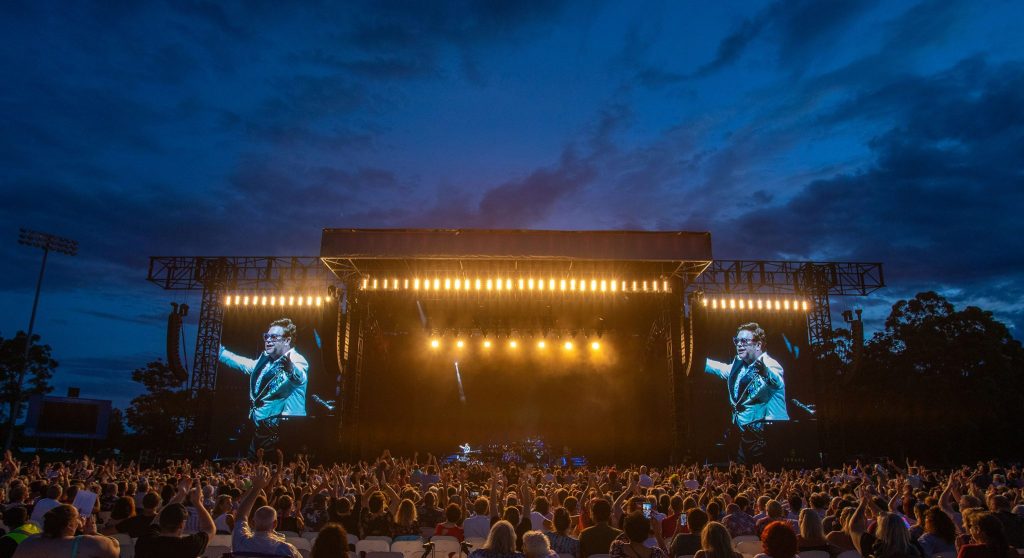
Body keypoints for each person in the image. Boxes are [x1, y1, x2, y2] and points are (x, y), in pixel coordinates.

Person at [219, 318, 309, 455]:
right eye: (266, 336)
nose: (268, 340)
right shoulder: (266, 361)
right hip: (260, 427)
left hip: (284, 429)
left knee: (273, 468)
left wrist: (291, 369)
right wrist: (221, 353)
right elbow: (244, 364)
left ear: (287, 340)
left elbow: (300, 377)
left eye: (274, 337)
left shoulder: (297, 360)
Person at [704, 322, 788, 463]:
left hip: (767, 436)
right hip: (744, 435)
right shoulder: (738, 367)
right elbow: (719, 368)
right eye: (737, 341)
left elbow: (777, 381)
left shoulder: (770, 364)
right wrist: (696, 359)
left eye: (744, 341)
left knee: (764, 477)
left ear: (758, 345)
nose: (739, 344)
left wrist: (766, 373)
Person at [134, 476, 216, 558]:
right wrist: (197, 503)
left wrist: (180, 495)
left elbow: (155, 522)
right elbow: (210, 529)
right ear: (181, 525)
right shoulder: (189, 546)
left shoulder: (145, 541)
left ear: (162, 522)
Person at [231, 465, 301, 558]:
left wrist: (256, 488)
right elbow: (241, 516)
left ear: (252, 523)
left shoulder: (240, 543)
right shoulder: (286, 550)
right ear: (275, 524)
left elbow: (240, 516)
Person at [11, 504, 119, 558]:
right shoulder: (84, 544)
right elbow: (115, 547)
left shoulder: (29, 542)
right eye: (78, 519)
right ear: (70, 525)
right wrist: (92, 532)